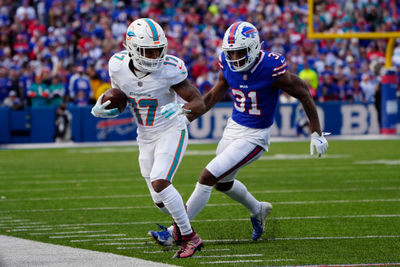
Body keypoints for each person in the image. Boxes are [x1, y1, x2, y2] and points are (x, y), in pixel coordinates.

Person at [151, 21, 329, 245]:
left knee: (208, 176)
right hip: (233, 127)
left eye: (240, 53)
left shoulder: (270, 67)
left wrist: (316, 132)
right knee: (222, 183)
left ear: (254, 48)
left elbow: (303, 92)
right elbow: (212, 97)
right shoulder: (227, 64)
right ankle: (258, 209)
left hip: (255, 135)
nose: (235, 59)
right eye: (231, 53)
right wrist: (186, 117)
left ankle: (175, 232)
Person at [90, 18, 206, 259]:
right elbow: (120, 96)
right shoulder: (117, 66)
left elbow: (199, 102)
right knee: (159, 200)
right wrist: (103, 105)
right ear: (131, 48)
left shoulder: (170, 69)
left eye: (158, 50)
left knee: (160, 181)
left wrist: (182, 110)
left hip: (171, 129)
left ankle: (190, 237)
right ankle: (178, 228)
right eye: (148, 51)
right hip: (144, 134)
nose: (154, 56)